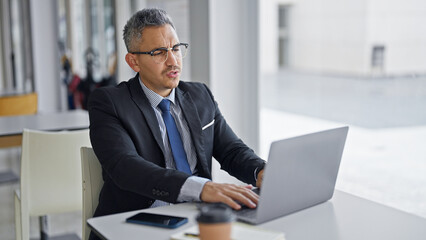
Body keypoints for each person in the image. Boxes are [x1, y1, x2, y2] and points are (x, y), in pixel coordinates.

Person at [88, 8, 266, 238]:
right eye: (159, 52)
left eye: (175, 49)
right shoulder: (109, 103)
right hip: (137, 223)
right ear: (134, 61)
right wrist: (202, 188)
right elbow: (126, 167)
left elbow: (232, 150)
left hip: (198, 219)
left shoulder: (200, 95)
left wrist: (261, 171)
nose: (173, 61)